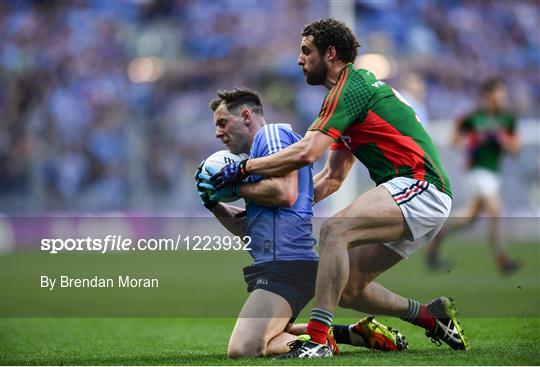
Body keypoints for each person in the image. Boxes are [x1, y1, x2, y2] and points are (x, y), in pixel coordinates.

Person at [210, 19, 469, 358]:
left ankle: (319, 339)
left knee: (334, 230)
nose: (300, 60)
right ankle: (430, 316)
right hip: (413, 195)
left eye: (306, 51)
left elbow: (307, 152)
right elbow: (331, 178)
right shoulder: (348, 97)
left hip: (420, 186)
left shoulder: (351, 86)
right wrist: (271, 205)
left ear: (330, 53)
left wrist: (243, 169)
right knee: (347, 288)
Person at [195, 88, 406, 358]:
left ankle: (321, 344)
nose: (217, 133)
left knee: (244, 347)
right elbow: (245, 228)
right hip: (281, 265)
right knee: (268, 335)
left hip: (288, 265)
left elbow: (284, 193)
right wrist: (213, 203)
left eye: (222, 122)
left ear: (246, 116)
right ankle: (349, 333)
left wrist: (234, 189)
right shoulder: (260, 162)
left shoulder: (270, 136)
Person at [425, 78, 521, 274]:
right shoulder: (473, 118)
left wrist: (502, 140)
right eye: (498, 97)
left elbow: (515, 149)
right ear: (487, 96)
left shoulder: (507, 119)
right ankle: (502, 259)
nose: (502, 101)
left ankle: (436, 238)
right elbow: (454, 141)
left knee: (469, 218)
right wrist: (472, 140)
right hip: (476, 171)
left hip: (493, 174)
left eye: (503, 97)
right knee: (496, 209)